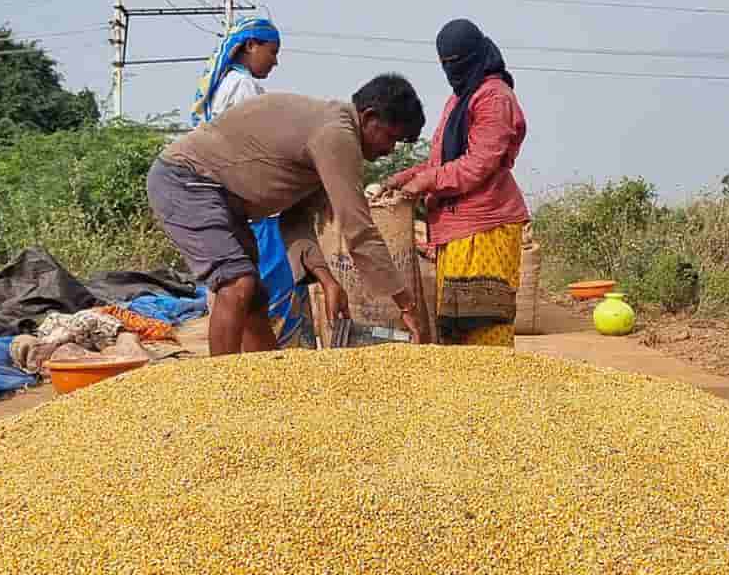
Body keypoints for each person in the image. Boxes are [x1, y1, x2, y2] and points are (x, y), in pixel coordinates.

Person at [148, 74, 427, 356]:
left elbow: (294, 220)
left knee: (254, 298)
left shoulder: (328, 133)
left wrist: (328, 281)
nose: (389, 150)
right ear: (368, 117)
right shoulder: (337, 135)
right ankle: (220, 391)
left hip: (220, 196)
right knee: (237, 284)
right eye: (390, 137)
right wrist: (406, 304)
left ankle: (269, 386)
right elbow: (359, 230)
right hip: (187, 181)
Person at [383, 19, 528, 347]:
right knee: (456, 331)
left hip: (486, 228)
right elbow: (442, 163)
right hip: (454, 232)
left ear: (476, 54)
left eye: (456, 63)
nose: (451, 70)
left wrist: (424, 182)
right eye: (444, 65)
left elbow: (479, 164)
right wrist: (401, 179)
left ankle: (495, 394)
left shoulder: (494, 97)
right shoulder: (459, 99)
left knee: (485, 330)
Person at [189, 17, 315, 350]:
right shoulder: (244, 88)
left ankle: (247, 364)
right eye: (272, 51)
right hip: (254, 204)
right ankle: (276, 358)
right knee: (274, 284)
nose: (275, 60)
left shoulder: (225, 86)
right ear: (250, 46)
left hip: (229, 200)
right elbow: (261, 147)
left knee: (239, 290)